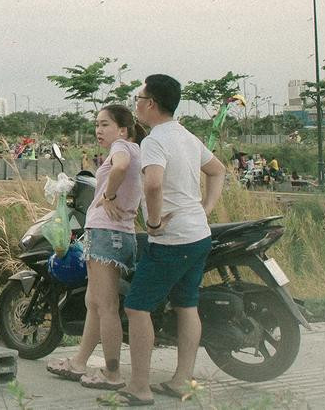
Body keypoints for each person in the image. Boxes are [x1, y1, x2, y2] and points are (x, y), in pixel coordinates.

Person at [110, 75, 226, 407]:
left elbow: (153, 185)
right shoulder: (187, 136)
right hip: (198, 234)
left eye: (138, 98)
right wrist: (206, 207)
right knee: (187, 305)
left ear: (151, 104)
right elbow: (217, 170)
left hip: (172, 239)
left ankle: (140, 387)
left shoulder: (155, 140)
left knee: (136, 307)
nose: (136, 104)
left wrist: (154, 222)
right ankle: (180, 381)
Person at [47, 104, 144, 391]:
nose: (98, 130)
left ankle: (112, 373)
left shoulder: (122, 148)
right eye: (97, 125)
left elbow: (121, 167)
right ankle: (79, 362)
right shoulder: (135, 149)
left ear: (123, 130)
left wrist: (109, 194)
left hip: (107, 233)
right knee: (94, 302)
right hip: (116, 233)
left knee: (106, 307)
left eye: (105, 124)